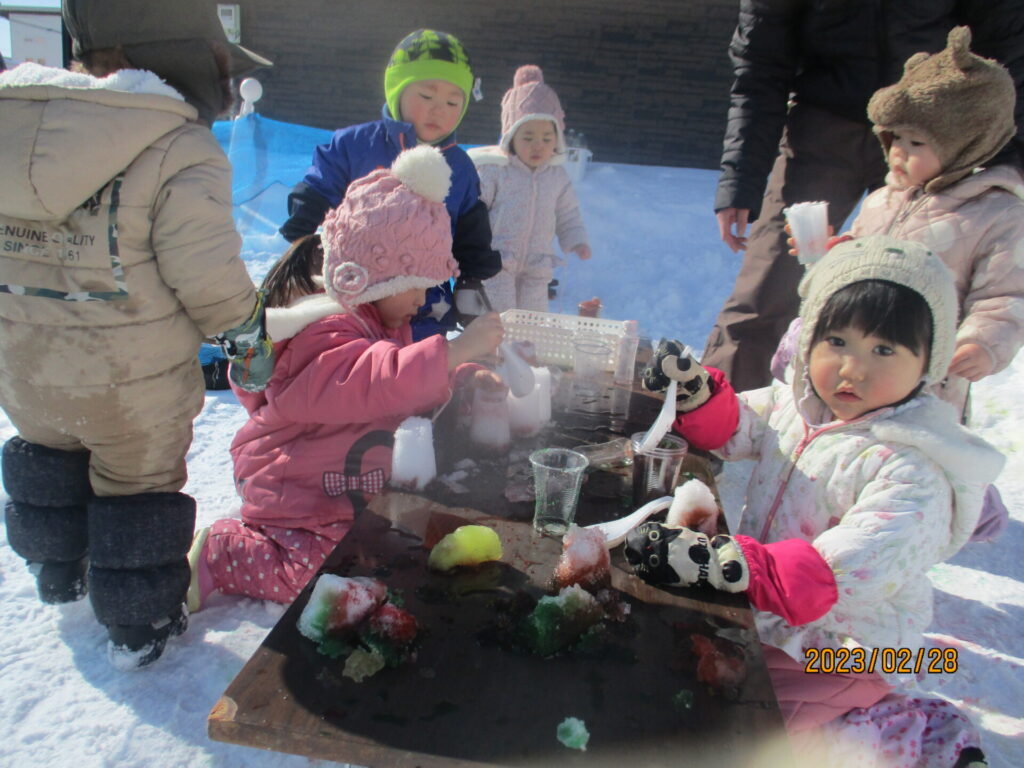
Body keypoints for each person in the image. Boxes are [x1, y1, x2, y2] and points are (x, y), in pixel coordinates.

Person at [632, 235, 1004, 765]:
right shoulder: (798, 406)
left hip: (850, 645)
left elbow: (854, 565)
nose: (853, 369)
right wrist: (697, 393)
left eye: (883, 350)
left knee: (753, 729)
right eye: (837, 342)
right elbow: (738, 427)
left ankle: (920, 734)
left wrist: (731, 564)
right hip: (774, 616)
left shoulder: (914, 468)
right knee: (694, 680)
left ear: (928, 363)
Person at [0, 0, 273, 669]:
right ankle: (139, 624)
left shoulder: (10, 126)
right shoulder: (179, 146)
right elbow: (204, 271)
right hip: (134, 382)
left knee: (50, 459)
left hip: (23, 363)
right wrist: (248, 341)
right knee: (136, 492)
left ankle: (58, 574)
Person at [186, 146, 504, 611]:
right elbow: (376, 379)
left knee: (375, 560)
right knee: (319, 580)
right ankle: (223, 553)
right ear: (379, 280)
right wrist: (454, 350)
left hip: (338, 482)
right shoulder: (327, 333)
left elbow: (401, 388)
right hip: (291, 482)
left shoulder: (382, 326)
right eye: (416, 284)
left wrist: (465, 375)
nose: (424, 298)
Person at [702, 1, 1024, 393]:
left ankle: (891, 431)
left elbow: (1008, 49)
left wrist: (996, 156)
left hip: (941, 138)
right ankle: (713, 419)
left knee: (916, 304)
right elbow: (760, 67)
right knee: (767, 289)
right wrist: (741, 177)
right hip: (826, 125)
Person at [279, 28, 501, 337]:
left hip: (425, 302)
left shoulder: (459, 168)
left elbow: (470, 231)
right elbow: (320, 184)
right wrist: (302, 227)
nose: (439, 109)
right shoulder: (356, 145)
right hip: (357, 290)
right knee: (356, 362)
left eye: (453, 103)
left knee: (420, 368)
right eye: (426, 95)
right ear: (397, 91)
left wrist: (470, 280)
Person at [467, 65, 590, 313]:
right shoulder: (495, 170)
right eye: (528, 137)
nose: (538, 146)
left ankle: (526, 351)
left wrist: (576, 240)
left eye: (546, 138)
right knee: (500, 317)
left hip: (537, 264)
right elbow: (475, 211)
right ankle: (495, 351)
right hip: (498, 262)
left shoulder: (556, 177)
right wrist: (472, 247)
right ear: (511, 136)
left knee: (533, 319)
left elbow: (567, 213)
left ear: (557, 139)